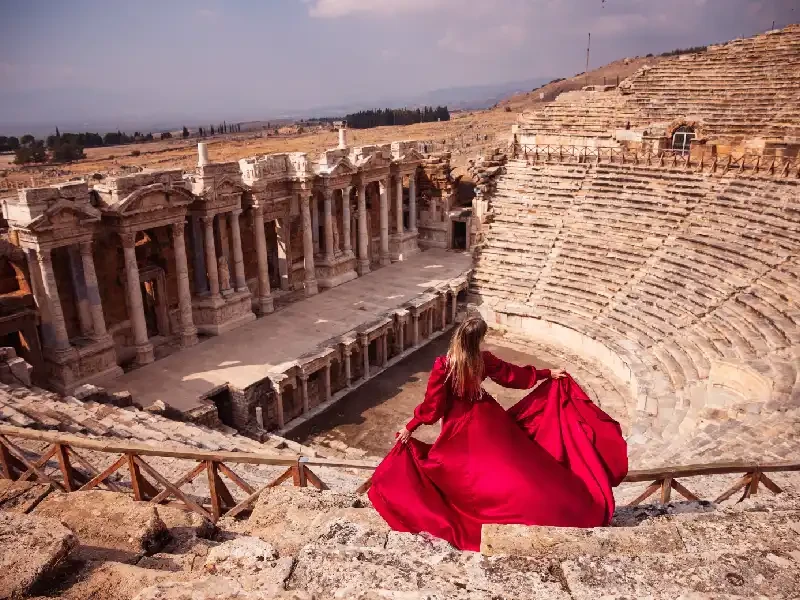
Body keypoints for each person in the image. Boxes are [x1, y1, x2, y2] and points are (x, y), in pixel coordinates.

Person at [368, 315, 628, 551]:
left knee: (456, 471)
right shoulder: (484, 360)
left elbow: (433, 407)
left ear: (458, 335)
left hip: (460, 424)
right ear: (478, 339)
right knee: (509, 466)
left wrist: (410, 426)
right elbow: (512, 376)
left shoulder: (444, 365)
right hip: (488, 417)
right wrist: (546, 373)